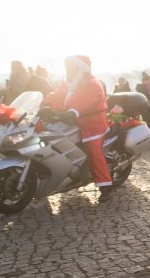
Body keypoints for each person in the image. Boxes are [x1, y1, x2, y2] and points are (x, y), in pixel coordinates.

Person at [42, 56, 114, 201]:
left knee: (94, 151)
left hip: (92, 124)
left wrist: (73, 112)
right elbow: (56, 95)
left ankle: (105, 187)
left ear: (80, 69)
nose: (68, 71)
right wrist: (44, 104)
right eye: (67, 68)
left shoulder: (93, 83)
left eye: (71, 68)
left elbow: (87, 102)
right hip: (71, 121)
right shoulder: (69, 83)